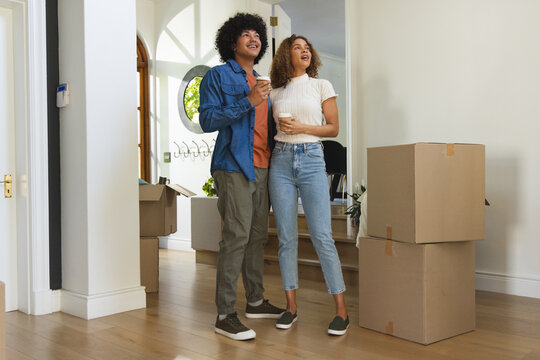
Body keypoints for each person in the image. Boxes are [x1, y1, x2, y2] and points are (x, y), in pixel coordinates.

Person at [199, 13, 283, 341]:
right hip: (233, 165)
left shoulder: (264, 82)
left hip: (263, 167)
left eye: (257, 35)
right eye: (245, 34)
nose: (253, 38)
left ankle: (256, 301)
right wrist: (247, 102)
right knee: (236, 236)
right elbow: (207, 120)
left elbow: (267, 128)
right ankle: (224, 314)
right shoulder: (218, 76)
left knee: (258, 236)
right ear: (232, 42)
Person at [268, 34, 349, 335]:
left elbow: (333, 128)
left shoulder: (321, 85)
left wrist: (302, 127)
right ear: (285, 56)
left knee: (322, 237)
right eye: (296, 48)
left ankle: (341, 311)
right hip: (281, 161)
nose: (303, 51)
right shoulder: (275, 92)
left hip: (313, 158)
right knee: (286, 238)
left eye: (306, 48)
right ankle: (291, 307)